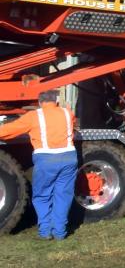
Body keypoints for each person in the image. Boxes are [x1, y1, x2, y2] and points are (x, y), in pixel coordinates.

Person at [0, 90, 78, 240]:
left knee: (42, 196)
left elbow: (10, 130)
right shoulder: (67, 113)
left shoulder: (34, 116)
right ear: (55, 101)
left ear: (40, 102)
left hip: (47, 160)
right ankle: (60, 233)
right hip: (69, 158)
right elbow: (72, 123)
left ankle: (45, 232)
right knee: (63, 196)